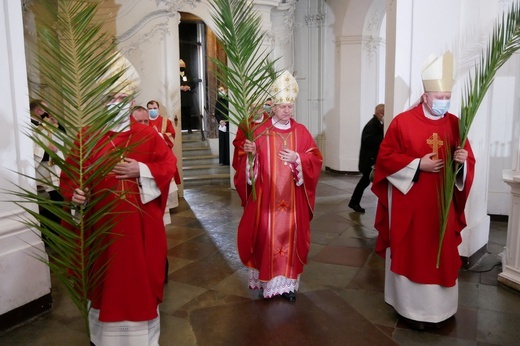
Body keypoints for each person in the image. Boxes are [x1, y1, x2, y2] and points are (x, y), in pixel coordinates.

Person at [59, 53, 177, 345]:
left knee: (138, 283)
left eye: (121, 97)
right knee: (105, 284)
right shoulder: (87, 138)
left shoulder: (147, 136)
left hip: (139, 231)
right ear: (101, 100)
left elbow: (168, 166)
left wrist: (143, 169)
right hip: (102, 232)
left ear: (129, 101)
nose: (115, 102)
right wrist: (75, 194)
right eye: (110, 96)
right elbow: (70, 178)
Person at [371, 51, 475, 330]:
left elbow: (467, 158)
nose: (444, 102)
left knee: (439, 254)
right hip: (412, 205)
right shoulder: (403, 122)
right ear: (426, 96)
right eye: (439, 97)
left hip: (441, 208)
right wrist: (418, 165)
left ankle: (441, 310)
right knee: (412, 253)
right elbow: (385, 158)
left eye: (447, 96)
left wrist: (462, 163)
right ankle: (410, 310)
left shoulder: (454, 123)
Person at [233, 70, 323, 302]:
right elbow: (247, 170)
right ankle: (267, 283)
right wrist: (250, 157)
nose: (287, 111)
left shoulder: (301, 131)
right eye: (283, 106)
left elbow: (315, 158)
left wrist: (299, 159)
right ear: (272, 106)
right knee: (266, 237)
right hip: (266, 202)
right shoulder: (260, 131)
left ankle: (287, 285)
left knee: (290, 238)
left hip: (293, 202)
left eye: (290, 106)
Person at [30, 99, 65, 237]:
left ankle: (58, 234)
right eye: (45, 110)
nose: (47, 113)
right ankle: (49, 235)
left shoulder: (47, 125)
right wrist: (46, 150)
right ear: (38, 111)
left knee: (59, 201)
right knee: (46, 205)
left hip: (54, 170)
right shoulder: (28, 125)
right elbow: (29, 149)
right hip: (42, 172)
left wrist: (57, 124)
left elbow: (61, 139)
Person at [348, 103, 385, 213]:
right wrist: (382, 137)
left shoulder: (377, 124)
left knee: (365, 182)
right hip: (369, 160)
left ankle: (354, 202)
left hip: (372, 159)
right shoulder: (372, 125)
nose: (384, 116)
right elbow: (368, 141)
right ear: (378, 113)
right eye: (383, 113)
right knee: (365, 182)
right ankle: (354, 202)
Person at [146, 99, 181, 185]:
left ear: (158, 109)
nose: (152, 110)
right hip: (149, 154)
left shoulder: (166, 121)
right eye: (150, 109)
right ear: (147, 110)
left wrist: (160, 135)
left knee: (168, 180)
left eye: (154, 108)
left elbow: (172, 135)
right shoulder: (144, 121)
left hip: (165, 152)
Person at [179, 59, 196, 133]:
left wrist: (188, 87)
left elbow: (193, 84)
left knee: (188, 114)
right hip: (179, 98)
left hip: (187, 98)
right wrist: (180, 87)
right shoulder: (174, 74)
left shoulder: (188, 74)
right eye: (180, 66)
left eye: (183, 65)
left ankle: (189, 128)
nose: (182, 67)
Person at [214, 86, 230, 165]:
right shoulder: (218, 101)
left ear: (226, 90)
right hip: (222, 124)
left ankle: (228, 160)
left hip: (229, 123)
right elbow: (216, 113)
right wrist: (220, 121)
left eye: (221, 90)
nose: (220, 92)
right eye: (219, 90)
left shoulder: (229, 100)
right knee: (222, 141)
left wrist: (227, 120)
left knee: (228, 141)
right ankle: (223, 160)